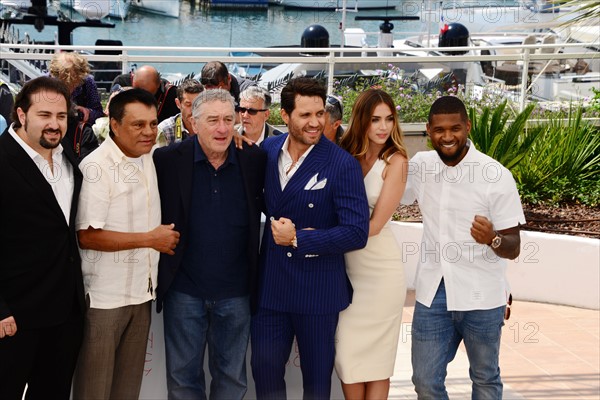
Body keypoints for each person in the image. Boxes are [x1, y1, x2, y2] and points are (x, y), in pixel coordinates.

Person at [251, 77, 370, 399]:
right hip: (271, 290)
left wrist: (298, 239)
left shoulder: (342, 164)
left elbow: (357, 232)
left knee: (317, 384)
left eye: (320, 113)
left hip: (318, 291)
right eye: (305, 115)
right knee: (264, 374)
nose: (316, 122)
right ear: (284, 116)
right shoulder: (267, 150)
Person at [402, 96, 525, 399]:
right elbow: (387, 196)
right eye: (439, 129)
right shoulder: (420, 166)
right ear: (428, 130)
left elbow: (514, 247)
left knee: (485, 378)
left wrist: (493, 238)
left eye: (455, 128)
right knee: (425, 381)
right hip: (433, 293)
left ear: (467, 127)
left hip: (481, 294)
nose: (447, 137)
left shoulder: (495, 175)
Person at [153, 89, 266, 399]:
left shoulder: (254, 158)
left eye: (229, 120)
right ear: (194, 122)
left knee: (232, 379)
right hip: (184, 291)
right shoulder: (166, 160)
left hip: (237, 293)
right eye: (213, 120)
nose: (222, 128)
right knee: (182, 379)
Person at [73, 88, 180, 400]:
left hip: (141, 294)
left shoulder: (150, 154)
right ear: (114, 125)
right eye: (138, 125)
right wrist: (150, 239)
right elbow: (87, 236)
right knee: (94, 391)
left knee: (126, 392)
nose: (148, 131)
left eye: (152, 123)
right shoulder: (97, 167)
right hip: (105, 301)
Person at [0, 76, 85, 399]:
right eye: (44, 116)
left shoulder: (68, 160)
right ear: (21, 115)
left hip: (65, 313)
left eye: (61, 116)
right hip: (14, 316)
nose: (54, 124)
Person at [335, 89, 409, 399]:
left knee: (377, 364)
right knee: (348, 358)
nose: (383, 127)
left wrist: (323, 238)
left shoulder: (397, 161)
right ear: (361, 120)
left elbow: (375, 225)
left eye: (389, 119)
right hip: (346, 272)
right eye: (375, 119)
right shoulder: (344, 153)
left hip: (380, 274)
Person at [49, 51, 104, 125]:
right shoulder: (42, 85)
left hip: (79, 132)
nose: (70, 89)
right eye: (65, 84)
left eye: (74, 83)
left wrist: (87, 113)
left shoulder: (87, 82)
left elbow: (99, 114)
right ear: (54, 76)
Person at [111, 65, 179, 123]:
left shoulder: (170, 93)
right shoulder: (121, 83)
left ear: (159, 84)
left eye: (147, 93)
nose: (142, 97)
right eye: (138, 91)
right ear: (133, 81)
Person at [157, 78, 204, 146]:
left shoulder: (212, 127)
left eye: (198, 104)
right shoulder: (165, 131)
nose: (194, 110)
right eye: (188, 104)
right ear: (178, 103)